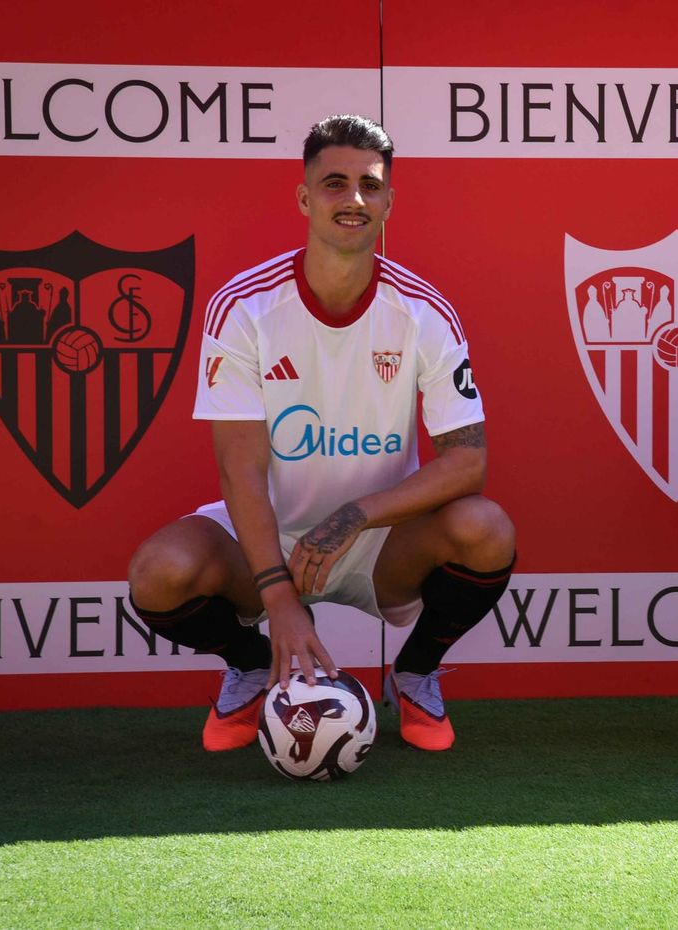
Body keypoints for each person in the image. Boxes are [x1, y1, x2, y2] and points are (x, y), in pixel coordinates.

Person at [126, 115, 516, 753]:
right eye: (334, 183)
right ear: (305, 198)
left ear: (390, 201)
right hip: (266, 534)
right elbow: (240, 470)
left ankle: (415, 672)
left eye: (369, 185)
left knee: (487, 529)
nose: (353, 199)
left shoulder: (423, 313)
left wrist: (357, 515)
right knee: (159, 572)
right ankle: (253, 664)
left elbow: (467, 462)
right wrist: (277, 595)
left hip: (380, 540)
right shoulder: (245, 307)